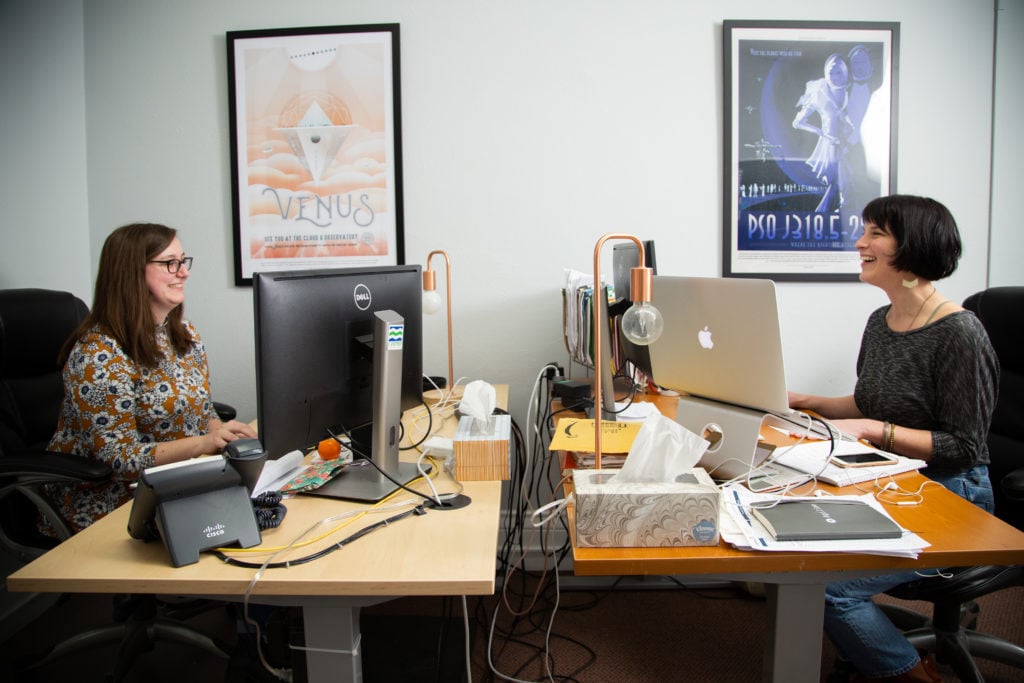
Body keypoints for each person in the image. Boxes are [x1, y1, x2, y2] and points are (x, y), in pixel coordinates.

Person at [788, 194, 998, 683]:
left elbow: (965, 447)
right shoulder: (880, 323)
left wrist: (874, 431)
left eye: (876, 233)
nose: (860, 242)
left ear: (914, 246)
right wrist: (801, 399)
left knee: (828, 590)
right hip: (896, 480)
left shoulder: (960, 333)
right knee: (799, 552)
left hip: (955, 496)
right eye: (864, 230)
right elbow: (868, 405)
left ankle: (912, 674)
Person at [46, 222, 257, 533]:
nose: (183, 272)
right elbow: (119, 459)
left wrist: (223, 432)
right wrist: (203, 443)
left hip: (177, 486)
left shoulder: (185, 336)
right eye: (170, 263)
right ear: (132, 272)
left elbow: (203, 413)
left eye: (183, 261)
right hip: (111, 503)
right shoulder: (98, 355)